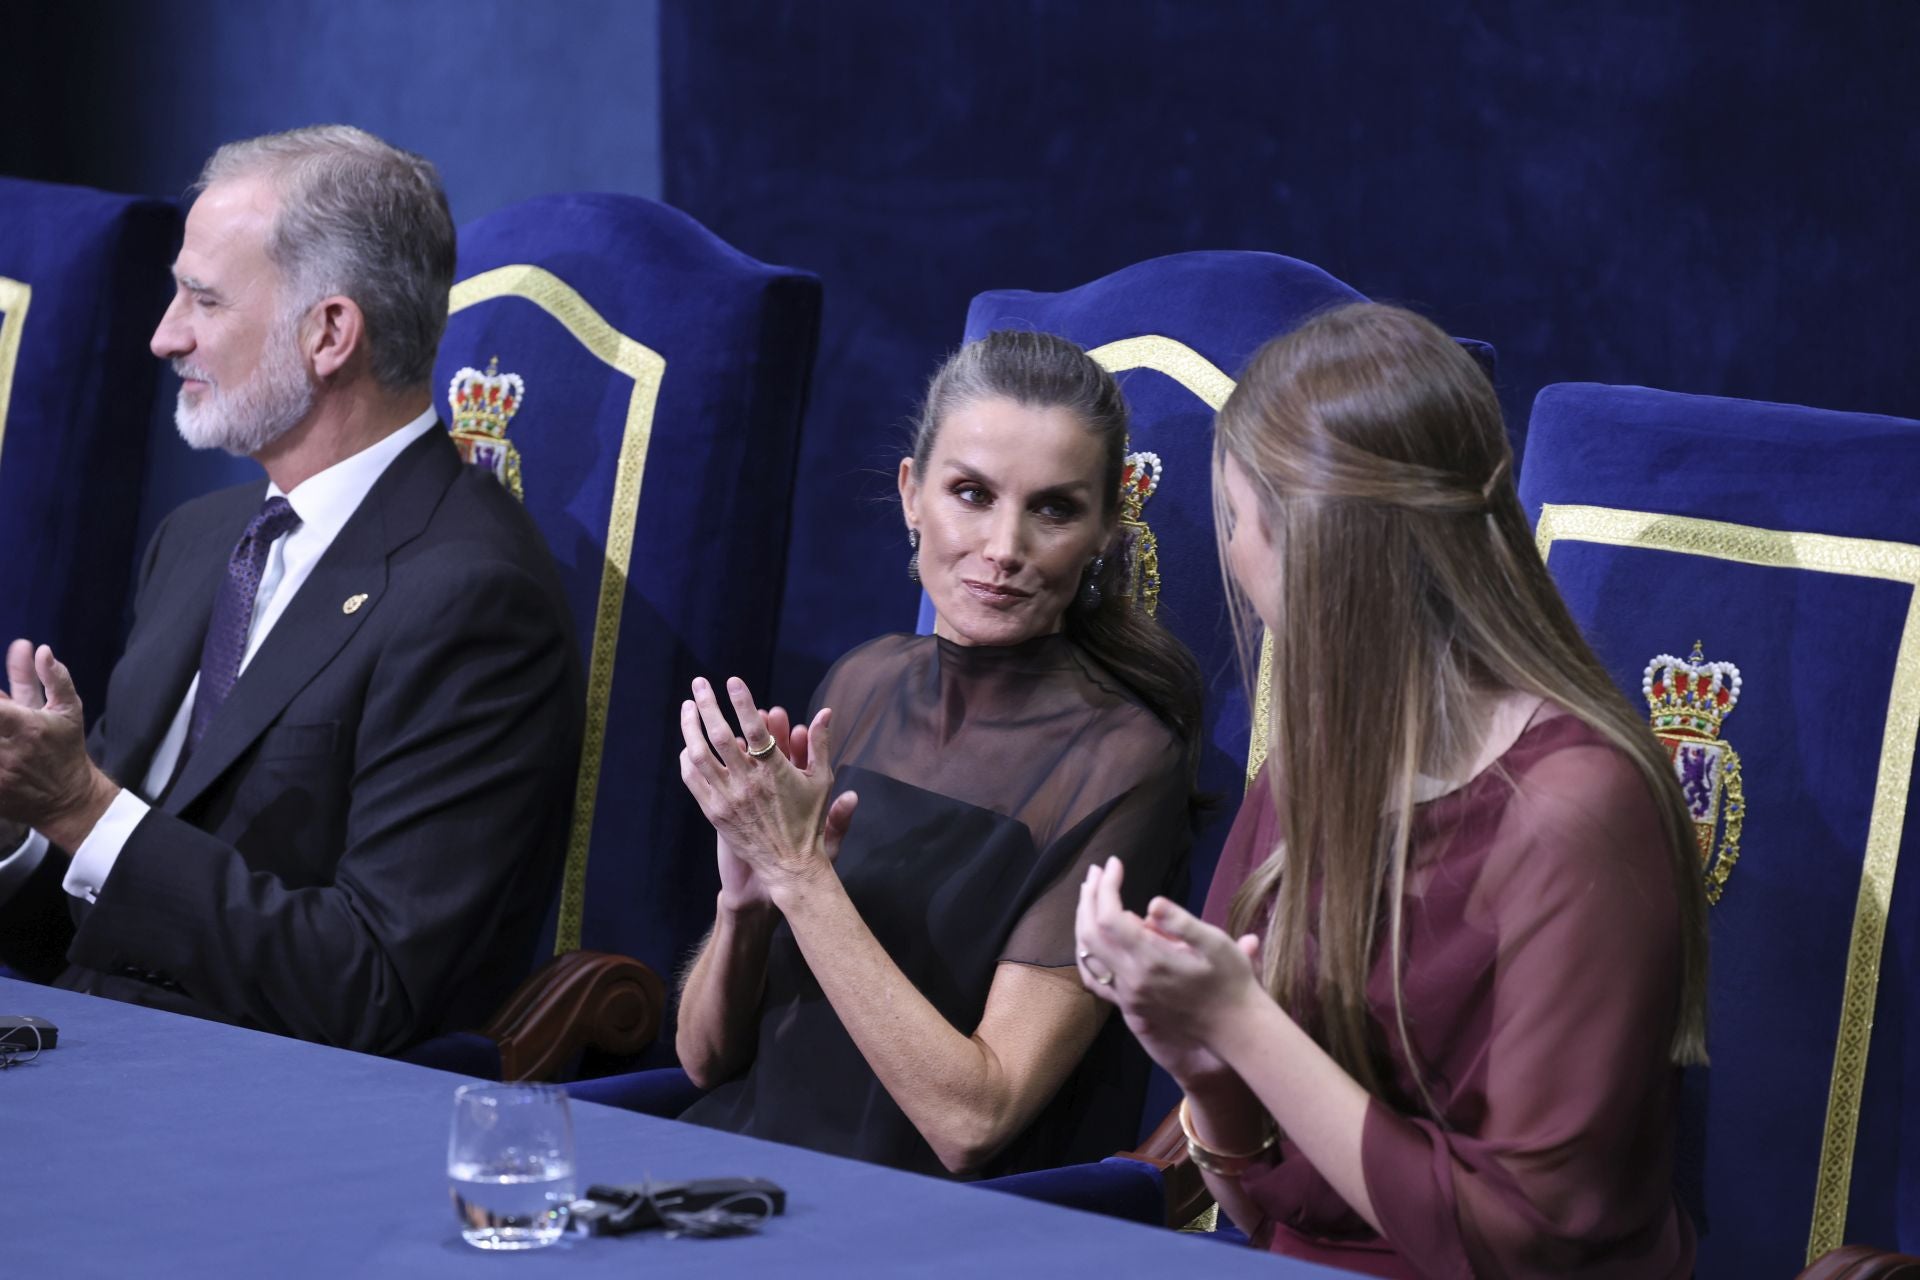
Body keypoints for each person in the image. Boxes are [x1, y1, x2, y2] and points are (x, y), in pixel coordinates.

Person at [1074, 303, 1707, 1277]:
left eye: (1237, 519)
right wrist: (1204, 1064)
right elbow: (1265, 1206)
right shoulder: (1318, 755)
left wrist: (1241, 1021)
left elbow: (1524, 1243)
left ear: (1318, 548)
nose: (1234, 557)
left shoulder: (1577, 808)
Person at [0, 126, 583, 1055]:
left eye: (203, 298)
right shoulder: (195, 544)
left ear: (329, 334)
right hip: (98, 1061)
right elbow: (97, 930)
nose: (164, 335)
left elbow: (372, 987)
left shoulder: (473, 598)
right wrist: (18, 830)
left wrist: (80, 806)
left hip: (268, 1121)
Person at [639, 330, 1204, 1176]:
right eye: (971, 493)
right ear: (911, 494)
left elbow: (972, 1120)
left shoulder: (1123, 760)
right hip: (731, 1172)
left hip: (913, 1225)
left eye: (1053, 508)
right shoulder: (861, 680)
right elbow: (704, 1061)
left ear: (1103, 532)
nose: (1005, 547)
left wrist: (800, 877)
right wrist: (746, 903)